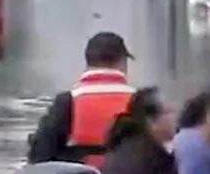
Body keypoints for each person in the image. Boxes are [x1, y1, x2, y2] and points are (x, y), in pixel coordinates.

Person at [27, 32, 136, 167]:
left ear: (88, 63)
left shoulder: (68, 100)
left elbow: (40, 155)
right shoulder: (139, 100)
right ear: (122, 63)